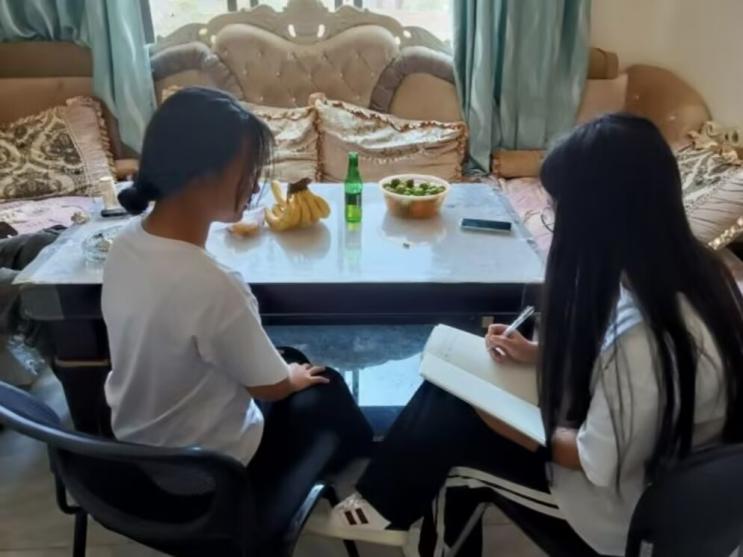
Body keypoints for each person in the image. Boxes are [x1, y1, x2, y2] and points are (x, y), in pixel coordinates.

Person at [330, 113, 743, 556]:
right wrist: (536, 353)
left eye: (558, 210)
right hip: (652, 465)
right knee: (453, 388)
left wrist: (514, 423)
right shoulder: (705, 276)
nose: (555, 222)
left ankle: (388, 511)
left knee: (460, 437)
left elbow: (588, 460)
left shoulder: (643, 339)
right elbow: (622, 373)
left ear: (599, 220)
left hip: (618, 512)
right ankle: (381, 502)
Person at [101, 87, 372, 539]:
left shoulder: (126, 244)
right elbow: (271, 386)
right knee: (323, 386)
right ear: (202, 175)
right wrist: (291, 379)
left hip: (138, 447)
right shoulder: (213, 283)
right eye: (248, 171)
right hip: (208, 476)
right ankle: (359, 473)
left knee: (287, 357)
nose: (255, 185)